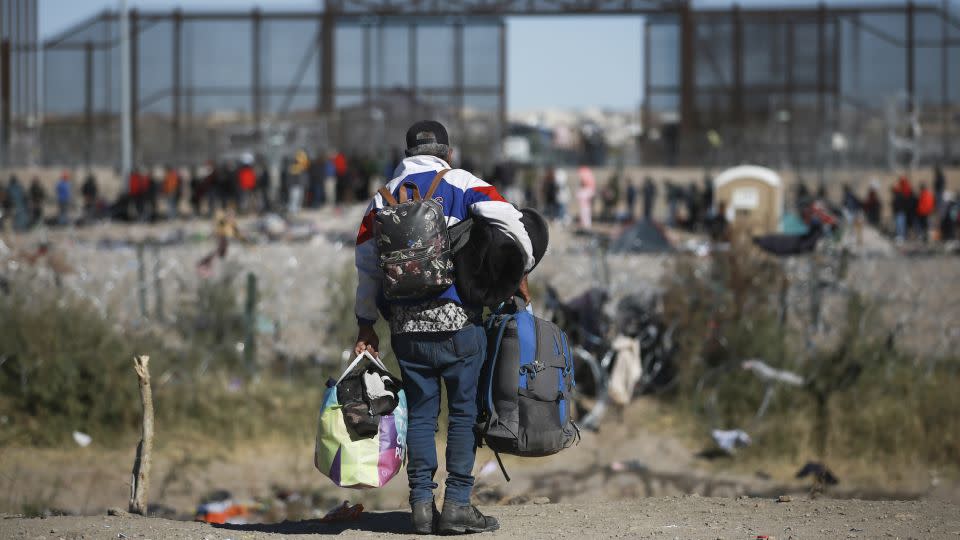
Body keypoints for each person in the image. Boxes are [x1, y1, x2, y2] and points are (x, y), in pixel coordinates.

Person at [353, 120, 533, 535]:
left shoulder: (381, 200)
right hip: (458, 325)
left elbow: (365, 269)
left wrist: (366, 326)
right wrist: (518, 274)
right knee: (464, 414)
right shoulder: (463, 183)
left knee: (420, 414)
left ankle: (420, 505)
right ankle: (456, 505)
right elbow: (514, 225)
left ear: (405, 153)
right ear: (447, 152)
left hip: (406, 330)